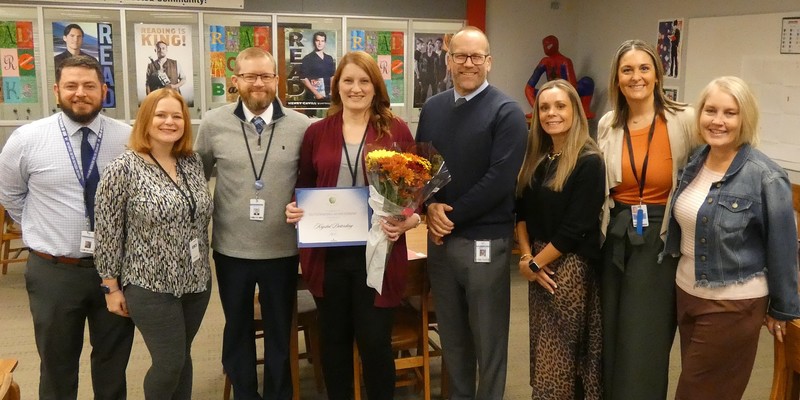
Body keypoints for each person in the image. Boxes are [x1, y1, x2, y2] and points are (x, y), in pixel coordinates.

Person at [0, 55, 134, 400]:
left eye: (90, 85)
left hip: (116, 273)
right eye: (71, 85)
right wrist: (41, 231)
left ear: (104, 91)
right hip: (54, 272)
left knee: (113, 364)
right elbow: (11, 196)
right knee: (57, 367)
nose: (80, 93)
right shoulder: (26, 139)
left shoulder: (130, 139)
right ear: (57, 90)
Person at [285, 50, 417, 400]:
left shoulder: (396, 130)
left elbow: (413, 195)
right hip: (328, 255)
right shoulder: (317, 132)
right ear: (336, 86)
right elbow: (305, 185)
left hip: (378, 253)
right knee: (334, 343)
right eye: (348, 81)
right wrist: (296, 210)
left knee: (375, 343)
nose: (356, 88)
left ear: (376, 87)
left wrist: (407, 221)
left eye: (364, 81)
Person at [661, 76, 800, 400]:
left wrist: (783, 308)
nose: (718, 121)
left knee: (697, 393)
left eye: (729, 113)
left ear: (744, 119)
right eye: (711, 110)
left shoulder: (765, 176)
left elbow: (783, 248)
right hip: (687, 293)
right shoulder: (695, 163)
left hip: (733, 303)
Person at [415, 26, 528, 399]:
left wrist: (449, 215)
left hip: (484, 242)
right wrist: (429, 206)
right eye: (460, 56)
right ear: (448, 61)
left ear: (489, 62)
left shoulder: (507, 112)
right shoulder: (432, 108)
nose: (468, 63)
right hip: (441, 243)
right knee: (453, 338)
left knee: (489, 340)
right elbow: (423, 167)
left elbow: (500, 179)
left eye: (476, 56)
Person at [195, 47, 311, 400]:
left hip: (282, 249)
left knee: (280, 330)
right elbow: (196, 179)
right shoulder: (213, 124)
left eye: (265, 76)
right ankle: (245, 393)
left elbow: (313, 181)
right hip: (231, 249)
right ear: (236, 81)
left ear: (276, 80)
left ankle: (278, 394)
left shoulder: (301, 126)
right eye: (250, 76)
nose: (258, 83)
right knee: (238, 328)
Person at [94, 88, 213, 399]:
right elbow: (107, 231)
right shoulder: (124, 167)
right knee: (169, 362)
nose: (169, 122)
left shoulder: (191, 162)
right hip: (149, 284)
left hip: (196, 282)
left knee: (182, 357)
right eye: (161, 115)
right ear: (146, 120)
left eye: (177, 116)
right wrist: (111, 286)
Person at [597, 39, 696, 400]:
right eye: (627, 70)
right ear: (617, 79)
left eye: (644, 68)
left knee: (645, 335)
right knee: (612, 329)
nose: (636, 76)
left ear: (657, 75)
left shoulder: (684, 119)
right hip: (617, 233)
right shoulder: (609, 123)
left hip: (660, 236)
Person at [515, 79, 604, 400]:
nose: (551, 113)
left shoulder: (588, 161)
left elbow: (575, 229)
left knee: (564, 354)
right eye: (544, 107)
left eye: (560, 106)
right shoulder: (536, 158)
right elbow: (520, 213)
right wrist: (526, 260)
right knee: (543, 347)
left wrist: (536, 263)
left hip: (570, 270)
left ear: (575, 111)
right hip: (538, 263)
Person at [524, 35, 595, 119]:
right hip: (552, 93)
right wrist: (537, 109)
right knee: (587, 82)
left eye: (547, 45)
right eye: (544, 46)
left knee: (587, 82)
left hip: (564, 93)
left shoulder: (565, 61)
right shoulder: (545, 61)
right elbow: (529, 87)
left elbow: (572, 87)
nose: (545, 48)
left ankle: (584, 111)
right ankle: (538, 110)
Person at [300, 32, 336, 102]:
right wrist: (316, 93)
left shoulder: (329, 58)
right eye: (317, 41)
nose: (320, 43)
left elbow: (332, 76)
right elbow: (303, 78)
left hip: (328, 95)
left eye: (322, 41)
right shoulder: (307, 58)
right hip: (312, 96)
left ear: (325, 42)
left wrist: (332, 91)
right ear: (314, 42)